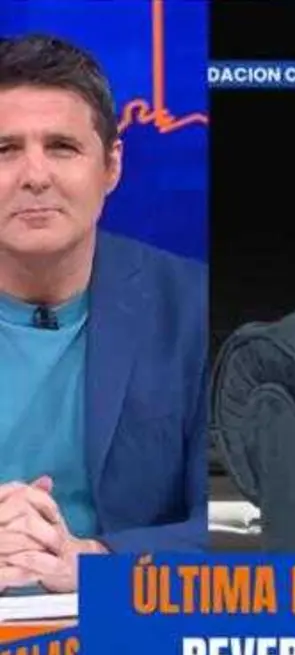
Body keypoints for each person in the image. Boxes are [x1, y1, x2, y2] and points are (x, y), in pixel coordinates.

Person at [0, 35, 207, 593]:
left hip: (124, 614)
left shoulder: (194, 310)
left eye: (62, 147)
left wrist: (93, 561)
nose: (34, 175)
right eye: (5, 150)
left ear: (111, 165)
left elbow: (232, 524)